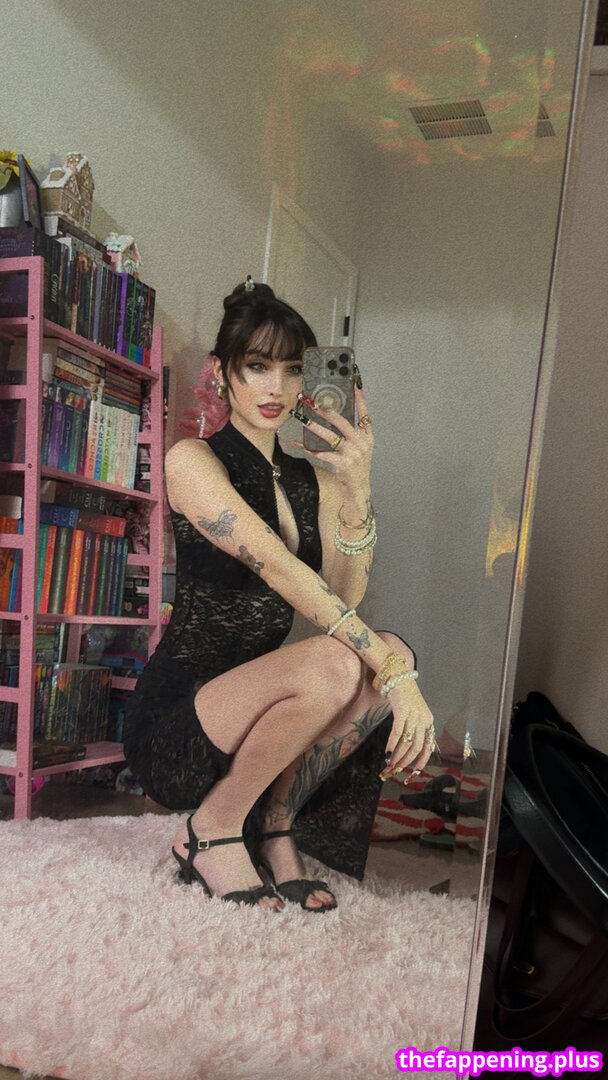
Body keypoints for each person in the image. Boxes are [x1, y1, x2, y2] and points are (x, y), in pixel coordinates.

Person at [123, 277, 435, 912]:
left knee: (379, 652)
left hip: (266, 721)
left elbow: (344, 595)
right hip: (182, 725)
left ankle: (274, 825)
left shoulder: (311, 481)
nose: (276, 387)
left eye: (293, 370)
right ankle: (209, 831)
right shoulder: (193, 461)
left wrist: (357, 488)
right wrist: (397, 673)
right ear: (222, 372)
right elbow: (284, 573)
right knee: (360, 660)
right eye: (257, 366)